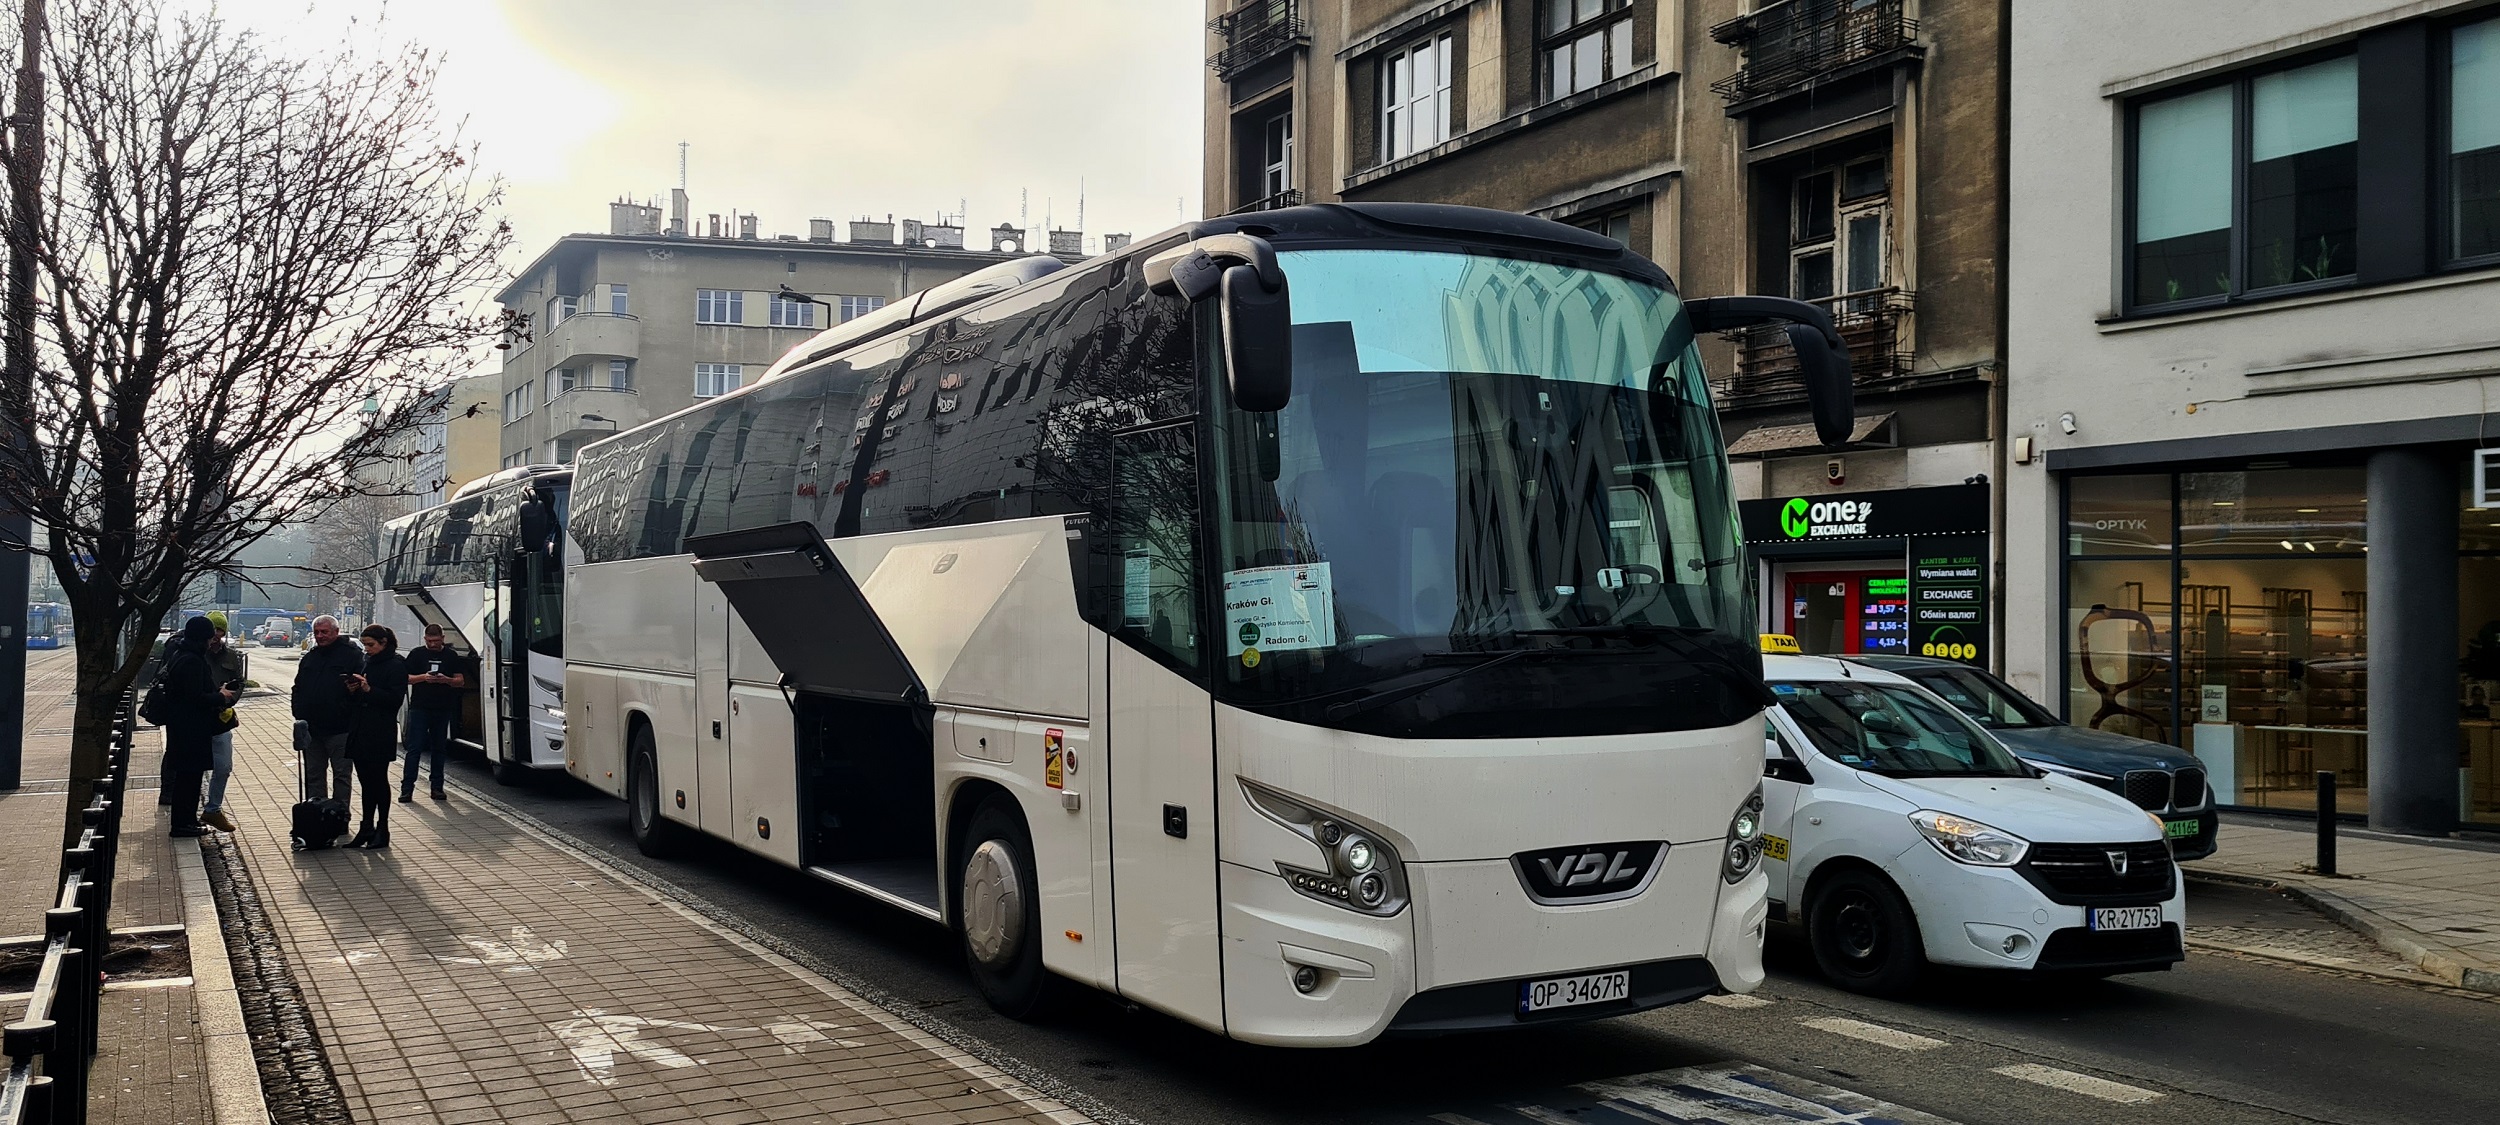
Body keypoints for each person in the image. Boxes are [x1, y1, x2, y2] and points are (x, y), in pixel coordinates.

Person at [158, 616, 236, 838]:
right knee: (189, 779)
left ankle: (188, 821)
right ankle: (183, 824)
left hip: (184, 728)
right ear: (202, 638)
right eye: (209, 637)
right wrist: (220, 696)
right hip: (190, 730)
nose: (211, 641)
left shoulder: (181, 655)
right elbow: (194, 698)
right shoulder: (191, 661)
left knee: (189, 778)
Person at [342, 625, 408, 849]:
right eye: (364, 645)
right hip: (360, 727)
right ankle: (366, 826)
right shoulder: (367, 661)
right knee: (365, 781)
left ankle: (383, 828)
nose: (367, 649)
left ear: (384, 643)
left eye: (370, 645)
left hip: (380, 730)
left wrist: (370, 690)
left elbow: (395, 700)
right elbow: (358, 696)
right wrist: (353, 689)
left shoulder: (396, 665)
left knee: (378, 780)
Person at [292, 615, 362, 806]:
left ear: (336, 632)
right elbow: (298, 687)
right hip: (312, 729)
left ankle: (340, 815)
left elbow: (360, 689)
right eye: (317, 632)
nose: (320, 636)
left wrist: (347, 707)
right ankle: (317, 813)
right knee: (313, 774)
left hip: (340, 728)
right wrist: (298, 712)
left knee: (341, 775)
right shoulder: (310, 657)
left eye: (324, 632)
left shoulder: (351, 656)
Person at [400, 624, 472, 803]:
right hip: (420, 707)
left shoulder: (451, 655)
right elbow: (405, 678)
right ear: (425, 639)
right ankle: (407, 788)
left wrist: (446, 680)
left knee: (439, 748)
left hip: (442, 707)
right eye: (429, 641)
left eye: (436, 641)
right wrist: (423, 677)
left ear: (443, 638)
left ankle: (437, 787)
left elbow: (460, 681)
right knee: (415, 748)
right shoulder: (417, 654)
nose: (432, 644)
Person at [202, 613, 248, 832]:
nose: (215, 635)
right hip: (200, 718)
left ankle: (213, 808)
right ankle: (188, 810)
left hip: (222, 718)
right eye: (212, 630)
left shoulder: (231, 655)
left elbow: (239, 683)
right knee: (195, 768)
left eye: (219, 630)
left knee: (224, 767)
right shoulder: (197, 654)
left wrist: (229, 699)